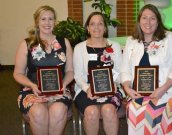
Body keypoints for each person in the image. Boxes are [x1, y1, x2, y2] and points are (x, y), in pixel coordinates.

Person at [121, 4, 172, 135]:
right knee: (133, 109)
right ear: (139, 20)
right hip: (139, 92)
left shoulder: (169, 38)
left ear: (158, 21)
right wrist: (127, 87)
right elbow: (125, 70)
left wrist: (162, 89)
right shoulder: (131, 41)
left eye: (152, 18)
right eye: (144, 18)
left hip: (170, 90)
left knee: (153, 111)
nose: (148, 22)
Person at [13, 5, 74, 135]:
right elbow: (18, 73)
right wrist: (31, 85)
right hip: (32, 90)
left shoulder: (64, 42)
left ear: (55, 21)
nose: (47, 23)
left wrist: (63, 84)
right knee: (38, 112)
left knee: (57, 110)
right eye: (43, 19)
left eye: (50, 19)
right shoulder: (27, 44)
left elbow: (70, 71)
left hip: (60, 89)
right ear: (37, 22)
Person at [73, 12, 123, 135]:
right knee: (91, 112)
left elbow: (120, 71)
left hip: (112, 89)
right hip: (86, 90)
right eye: (93, 24)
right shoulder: (79, 48)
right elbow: (78, 75)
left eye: (100, 24)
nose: (97, 27)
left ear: (105, 28)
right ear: (88, 28)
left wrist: (115, 83)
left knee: (108, 110)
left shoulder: (115, 46)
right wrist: (87, 88)